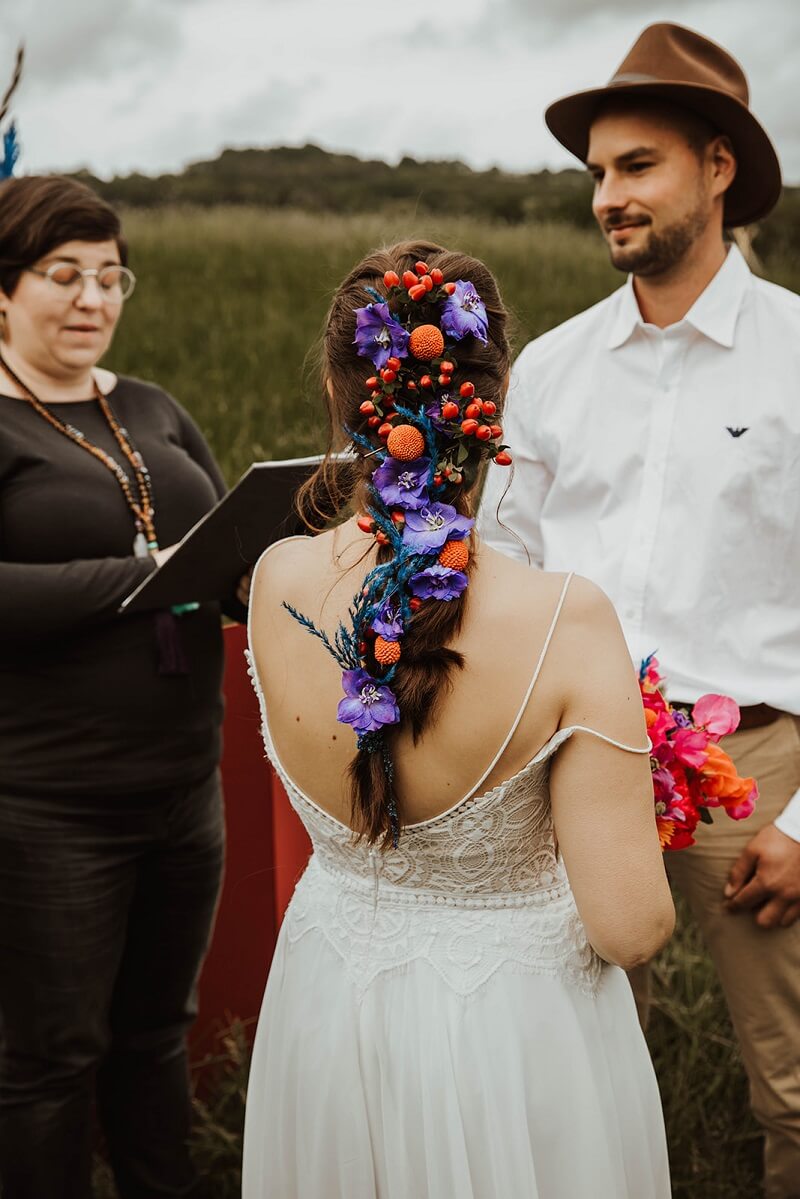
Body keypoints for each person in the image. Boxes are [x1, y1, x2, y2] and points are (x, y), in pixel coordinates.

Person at [243, 240, 674, 1197]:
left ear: (335, 389)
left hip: (324, 1006)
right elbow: (631, 925)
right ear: (497, 395)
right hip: (509, 1043)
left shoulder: (274, 580)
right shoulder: (569, 620)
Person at [477, 22, 800, 1199]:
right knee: (561, 1068)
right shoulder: (550, 368)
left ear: (717, 167)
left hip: (756, 770)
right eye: (597, 173)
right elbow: (502, 567)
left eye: (636, 166)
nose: (607, 196)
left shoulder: (797, 358)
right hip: (580, 761)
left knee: (797, 1091)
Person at [0, 175, 246, 1199]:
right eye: (64, 274)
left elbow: (226, 548)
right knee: (50, 1058)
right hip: (49, 807)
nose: (92, 297)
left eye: (110, 275)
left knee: (157, 1035)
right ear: (3, 292)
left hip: (184, 790)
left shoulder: (150, 406)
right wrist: (151, 577)